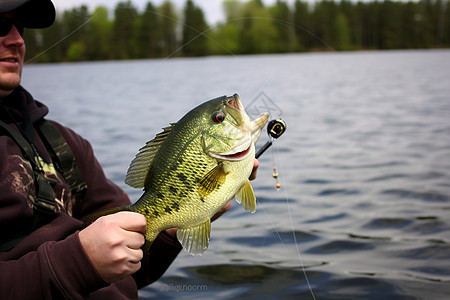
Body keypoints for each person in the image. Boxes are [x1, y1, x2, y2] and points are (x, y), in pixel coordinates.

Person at [0, 1, 259, 299]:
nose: (17, 40)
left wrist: (167, 231)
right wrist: (77, 262)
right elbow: (84, 264)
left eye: (20, 27)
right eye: (1, 26)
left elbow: (131, 270)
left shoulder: (62, 143)